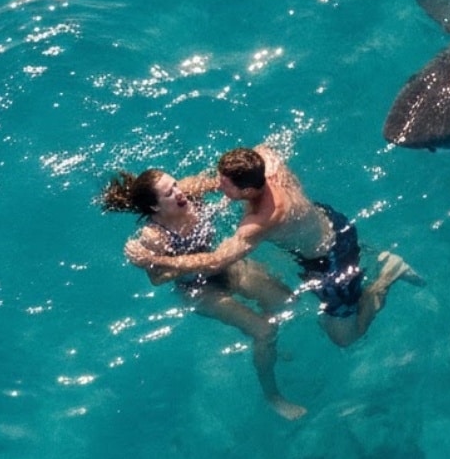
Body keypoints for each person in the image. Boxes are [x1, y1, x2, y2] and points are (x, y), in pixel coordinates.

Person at [124, 144, 421, 349]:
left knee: (345, 338)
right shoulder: (263, 161)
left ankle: (387, 275)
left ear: (246, 190)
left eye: (225, 184)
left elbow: (215, 261)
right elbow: (263, 150)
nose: (218, 185)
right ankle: (370, 260)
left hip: (327, 261)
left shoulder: (260, 220)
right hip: (330, 220)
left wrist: (153, 259)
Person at [101, 167, 307, 420]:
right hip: (197, 288)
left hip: (222, 265)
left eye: (175, 184)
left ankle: (267, 348)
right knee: (264, 331)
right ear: (155, 207)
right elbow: (157, 279)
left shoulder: (190, 191)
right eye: (169, 193)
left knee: (287, 302)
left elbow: (227, 184)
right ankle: (272, 395)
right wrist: (189, 263)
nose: (179, 192)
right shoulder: (153, 236)